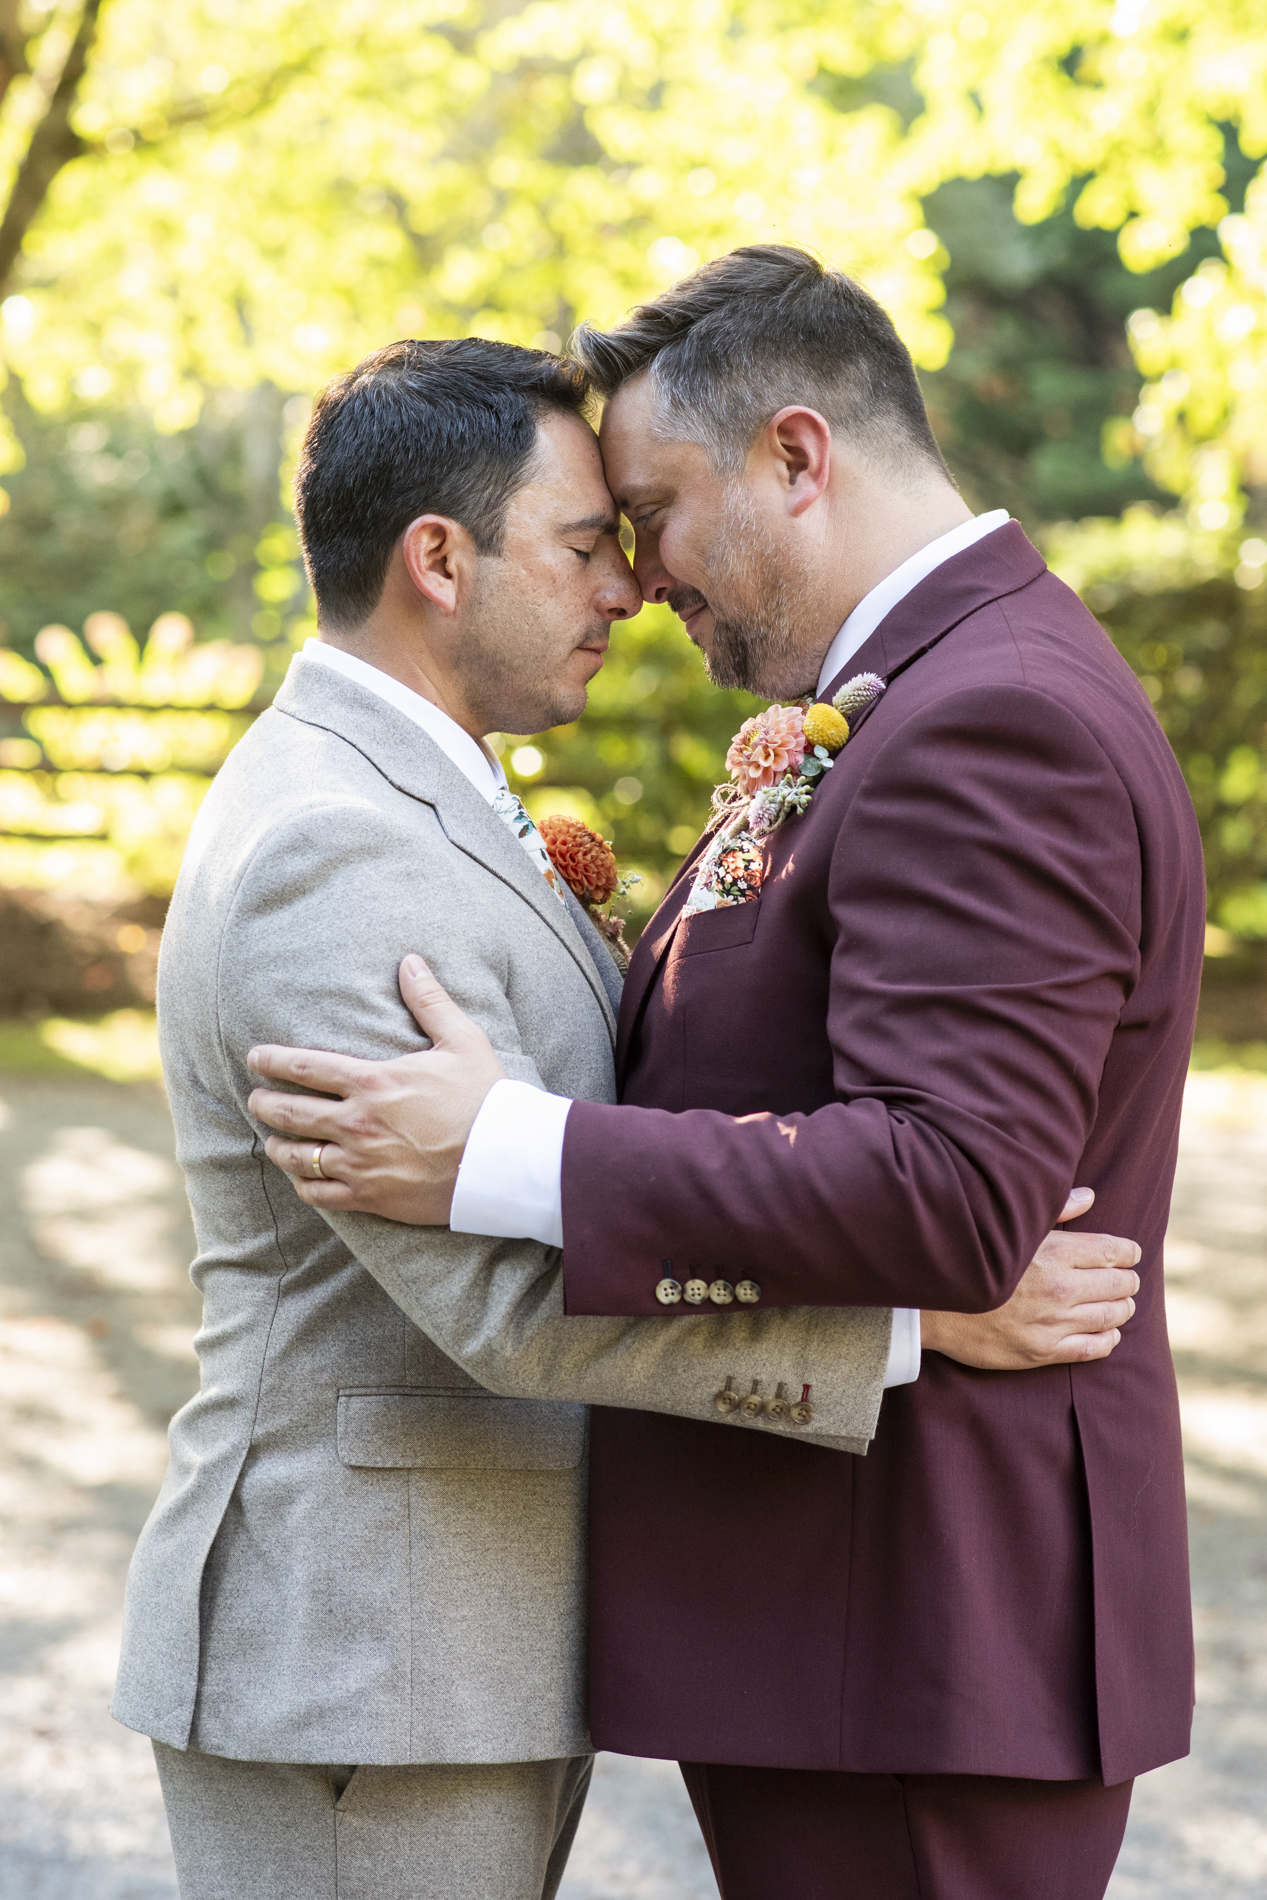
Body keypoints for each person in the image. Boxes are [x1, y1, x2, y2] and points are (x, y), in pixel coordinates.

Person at [112, 334, 1136, 1900]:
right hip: (364, 1651)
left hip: (449, 1649)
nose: (630, 586)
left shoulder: (420, 797)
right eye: (591, 541)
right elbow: (500, 1302)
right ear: (440, 560)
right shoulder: (334, 846)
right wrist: (919, 1329)